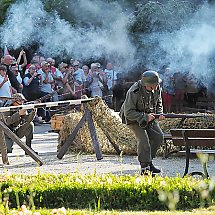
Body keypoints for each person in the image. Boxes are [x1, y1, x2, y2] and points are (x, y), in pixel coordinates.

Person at [120, 71, 165, 176]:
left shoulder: (156, 88)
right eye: (153, 86)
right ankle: (145, 167)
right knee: (144, 140)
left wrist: (159, 114)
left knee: (158, 136)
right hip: (133, 118)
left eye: (156, 85)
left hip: (149, 116)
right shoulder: (133, 92)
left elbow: (159, 102)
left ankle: (149, 162)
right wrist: (145, 117)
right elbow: (128, 113)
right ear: (146, 85)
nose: (156, 87)